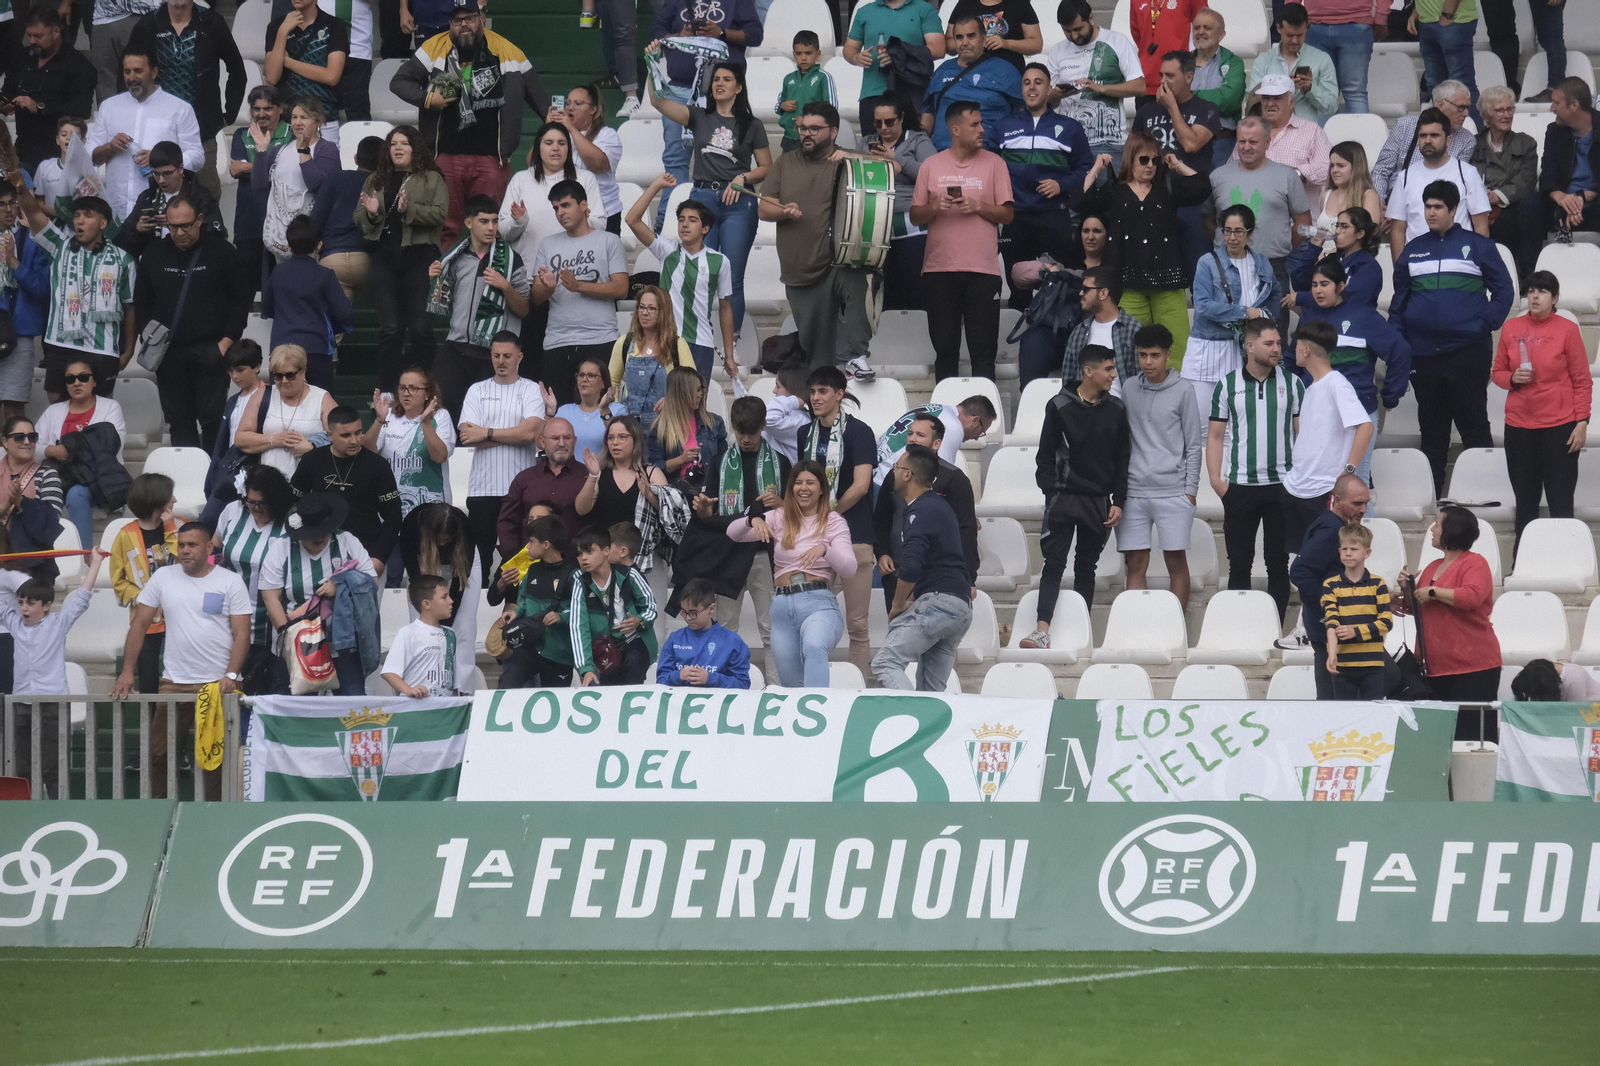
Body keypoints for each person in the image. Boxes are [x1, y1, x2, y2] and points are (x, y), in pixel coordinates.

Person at [389, 0, 548, 247]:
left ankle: (487, 281)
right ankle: (440, 282)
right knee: (443, 227)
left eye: (470, 18)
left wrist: (554, 124)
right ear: (450, 24)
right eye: (457, 20)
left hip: (490, 159)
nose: (464, 25)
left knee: (488, 227)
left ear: (481, 19)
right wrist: (429, 98)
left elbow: (541, 100)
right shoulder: (434, 47)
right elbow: (399, 81)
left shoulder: (507, 51)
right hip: (445, 158)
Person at [1390, 179, 1514, 495]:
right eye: (1427, 206)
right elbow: (1398, 303)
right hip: (1423, 353)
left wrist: (1483, 323)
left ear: (1454, 210)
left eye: (1437, 207)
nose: (1430, 213)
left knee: (1473, 424)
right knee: (1432, 428)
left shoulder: (1480, 246)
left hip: (1468, 350)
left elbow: (1504, 290)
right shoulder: (1412, 251)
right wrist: (1400, 342)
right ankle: (1432, 496)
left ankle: (1486, 495)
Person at [110, 521, 248, 797]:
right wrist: (127, 671)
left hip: (217, 685)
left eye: (192, 545)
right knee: (158, 755)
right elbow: (139, 626)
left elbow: (242, 633)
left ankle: (214, 816)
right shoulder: (163, 577)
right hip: (174, 681)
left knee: (215, 759)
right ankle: (162, 814)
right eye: (181, 545)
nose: (185, 550)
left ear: (209, 547)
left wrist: (231, 675)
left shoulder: (230, 580)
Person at [1020, 346, 1128, 648]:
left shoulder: (1117, 409)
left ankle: (1081, 631)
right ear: (1088, 371)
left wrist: (1118, 500)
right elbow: (1045, 455)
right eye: (1108, 369)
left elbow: (1123, 457)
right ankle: (1041, 631)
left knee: (1086, 567)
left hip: (1099, 501)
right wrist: (1051, 491)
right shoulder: (1058, 405)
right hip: (1063, 499)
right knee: (1053, 564)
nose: (1114, 374)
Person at [759, 102, 874, 379]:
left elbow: (890, 166)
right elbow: (764, 208)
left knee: (856, 282)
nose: (806, 134)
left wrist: (851, 158)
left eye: (814, 128)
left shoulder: (849, 160)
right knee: (818, 357)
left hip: (838, 260)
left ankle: (858, 355)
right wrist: (783, 211)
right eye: (802, 128)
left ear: (833, 132)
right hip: (799, 268)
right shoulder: (785, 162)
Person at [1077, 133, 1208, 363]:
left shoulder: (1166, 187)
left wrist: (1176, 164)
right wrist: (1097, 167)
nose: (1150, 166)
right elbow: (1080, 200)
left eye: (1155, 161)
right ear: (1130, 158)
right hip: (1129, 284)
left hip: (1168, 281)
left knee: (1176, 349)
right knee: (1129, 349)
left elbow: (1202, 186)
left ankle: (1175, 395)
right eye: (1144, 160)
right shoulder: (1114, 191)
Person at [1207, 318, 1304, 621]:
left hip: (1282, 487)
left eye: (1278, 343)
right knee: (1239, 562)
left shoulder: (1293, 383)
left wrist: (1298, 481)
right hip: (1239, 487)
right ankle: (1241, 626)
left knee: (1277, 562)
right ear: (1249, 346)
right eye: (1269, 343)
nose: (1277, 349)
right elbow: (1215, 436)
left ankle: (1273, 626)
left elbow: (1304, 435)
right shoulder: (1227, 384)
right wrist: (1216, 481)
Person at [911, 100, 1015, 381]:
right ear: (955, 129)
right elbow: (915, 215)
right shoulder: (931, 165)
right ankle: (942, 421)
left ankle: (986, 419)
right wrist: (935, 207)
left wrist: (977, 206)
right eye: (975, 124)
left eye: (981, 123)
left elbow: (1007, 215)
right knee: (945, 352)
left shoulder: (996, 164)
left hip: (983, 271)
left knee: (983, 353)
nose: (983, 129)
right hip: (938, 270)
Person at [726, 459, 855, 687]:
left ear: (822, 489)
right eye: (798, 483)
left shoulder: (833, 521)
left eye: (810, 483)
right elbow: (733, 534)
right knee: (791, 684)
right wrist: (751, 519)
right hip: (782, 606)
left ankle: (819, 708)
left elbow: (849, 567)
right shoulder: (779, 517)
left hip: (818, 603)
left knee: (815, 644)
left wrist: (825, 549)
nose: (803, 488)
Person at [675, 395, 788, 655]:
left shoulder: (781, 463)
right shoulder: (719, 462)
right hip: (728, 552)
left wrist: (781, 502)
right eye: (740, 432)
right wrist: (704, 509)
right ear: (733, 428)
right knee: (725, 626)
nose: (745, 439)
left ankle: (777, 690)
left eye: (751, 432)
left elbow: (795, 512)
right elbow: (710, 515)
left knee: (772, 629)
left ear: (763, 427)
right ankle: (724, 684)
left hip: (765, 553)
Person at [134, 194, 249, 449]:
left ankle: (212, 478)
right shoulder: (154, 252)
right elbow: (141, 300)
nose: (180, 232)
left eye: (186, 225)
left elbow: (241, 299)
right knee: (179, 420)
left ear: (199, 220)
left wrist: (227, 342)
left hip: (212, 348)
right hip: (168, 351)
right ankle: (185, 477)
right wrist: (147, 334)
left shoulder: (221, 251)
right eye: (173, 226)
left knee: (212, 420)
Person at [1288, 257, 1411, 487]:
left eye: (1324, 284)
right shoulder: (1308, 317)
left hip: (1357, 413)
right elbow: (1290, 361)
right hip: (1317, 414)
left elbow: (1400, 350)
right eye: (1314, 285)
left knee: (1354, 483)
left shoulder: (1364, 316)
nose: (1318, 291)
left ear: (1341, 286)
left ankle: (1362, 524)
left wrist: (1391, 395)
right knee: (1320, 481)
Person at [1491, 269, 1590, 551]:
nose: (1535, 296)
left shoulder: (1567, 329)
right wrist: (1511, 378)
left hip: (1559, 425)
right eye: (1531, 290)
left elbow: (1582, 380)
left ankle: (1566, 559)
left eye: (1543, 291)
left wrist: (1582, 421)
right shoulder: (1511, 328)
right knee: (1525, 501)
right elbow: (1497, 372)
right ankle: (1523, 561)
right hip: (1520, 426)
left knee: (1560, 500)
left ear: (1555, 298)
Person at [12, 181, 136, 402]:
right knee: (58, 410)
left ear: (103, 223)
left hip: (103, 349)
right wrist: (21, 188)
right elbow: (32, 212)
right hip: (60, 345)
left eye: (87, 215)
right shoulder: (58, 246)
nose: (79, 220)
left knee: (99, 416)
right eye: (77, 215)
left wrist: (128, 351)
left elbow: (129, 307)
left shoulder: (124, 260)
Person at [500, 122, 604, 372]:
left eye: (561, 143)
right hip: (529, 280)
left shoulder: (584, 178)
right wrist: (520, 221)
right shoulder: (521, 180)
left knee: (572, 358)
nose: (555, 149)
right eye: (548, 143)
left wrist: (579, 218)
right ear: (537, 147)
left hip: (574, 280)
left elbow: (599, 223)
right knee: (531, 355)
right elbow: (504, 230)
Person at [869, 445, 974, 690]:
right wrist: (913, 597)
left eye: (896, 467)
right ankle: (929, 725)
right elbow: (939, 565)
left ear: (907, 475)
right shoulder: (939, 507)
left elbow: (911, 565)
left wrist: (898, 604)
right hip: (960, 605)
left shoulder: (920, 510)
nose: (892, 472)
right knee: (931, 690)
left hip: (939, 604)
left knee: (885, 662)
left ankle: (910, 714)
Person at [1395, 505, 1502, 737]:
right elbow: (1420, 609)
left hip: (1473, 667)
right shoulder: (1432, 566)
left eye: (1437, 523)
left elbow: (1471, 597)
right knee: (1439, 736)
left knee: (1473, 735)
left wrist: (1433, 591)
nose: (1432, 529)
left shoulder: (1475, 563)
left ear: (1452, 529)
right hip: (1434, 666)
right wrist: (1407, 589)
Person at [1, 551, 101, 798]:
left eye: (31, 603)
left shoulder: (58, 623)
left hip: (53, 704)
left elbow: (82, 597)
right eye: (21, 602)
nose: (24, 608)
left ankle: (57, 813)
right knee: (22, 767)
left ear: (46, 606)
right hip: (22, 703)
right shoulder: (13, 622)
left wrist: (96, 563)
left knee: (53, 767)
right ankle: (25, 815)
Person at [797, 366, 877, 676]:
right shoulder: (805, 432)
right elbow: (803, 484)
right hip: (813, 539)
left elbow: (861, 486)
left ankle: (859, 688)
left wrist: (827, 516)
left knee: (857, 622)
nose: (815, 398)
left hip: (853, 535)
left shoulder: (858, 431)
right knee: (810, 617)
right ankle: (814, 683)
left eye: (822, 392)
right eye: (812, 392)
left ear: (839, 394)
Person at [259, 491, 379, 696]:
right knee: (297, 709)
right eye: (312, 533)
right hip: (296, 641)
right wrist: (287, 637)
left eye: (324, 531)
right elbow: (270, 597)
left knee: (352, 702)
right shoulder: (281, 548)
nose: (319, 537)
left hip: (342, 641)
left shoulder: (347, 541)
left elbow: (371, 583)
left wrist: (341, 584)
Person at [356, 123, 446, 392]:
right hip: (384, 258)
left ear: (415, 148)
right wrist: (371, 213)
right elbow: (358, 217)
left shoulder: (432, 178)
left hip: (420, 257)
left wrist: (410, 210)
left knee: (420, 328)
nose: (397, 148)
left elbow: (440, 213)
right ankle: (387, 392)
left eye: (404, 143)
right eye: (393, 143)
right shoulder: (376, 179)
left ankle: (427, 389)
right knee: (391, 329)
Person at [428, 194, 532, 420]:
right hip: (456, 346)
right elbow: (444, 300)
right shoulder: (454, 258)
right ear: (468, 223)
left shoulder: (511, 259)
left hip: (492, 353)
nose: (491, 228)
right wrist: (435, 279)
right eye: (484, 221)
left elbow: (524, 309)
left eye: (495, 221)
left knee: (489, 416)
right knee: (443, 410)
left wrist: (505, 286)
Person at [127, 0, 244, 197]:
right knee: (156, 196)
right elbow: (129, 69)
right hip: (158, 128)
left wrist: (229, 114)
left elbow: (237, 69)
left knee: (205, 196)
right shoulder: (149, 23)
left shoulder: (211, 23)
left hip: (201, 130)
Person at [1209, 116, 1312, 338]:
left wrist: (1283, 244)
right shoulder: (1217, 176)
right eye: (1242, 141)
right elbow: (1208, 220)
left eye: (1253, 142)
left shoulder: (1286, 176)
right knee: (1229, 334)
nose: (1246, 147)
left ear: (1267, 142)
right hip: (1228, 268)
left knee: (1273, 335)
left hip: (1272, 267)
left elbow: (1303, 220)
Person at [625, 176, 736, 381]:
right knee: (664, 404)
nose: (684, 225)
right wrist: (656, 186)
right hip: (667, 340)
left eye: (692, 220)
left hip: (701, 342)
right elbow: (631, 219)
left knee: (694, 406)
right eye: (681, 220)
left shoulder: (720, 261)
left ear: (705, 229)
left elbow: (726, 307)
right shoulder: (667, 251)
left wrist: (729, 355)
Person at [998, 64, 1092, 307]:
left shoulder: (1070, 127)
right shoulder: (1004, 127)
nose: (1032, 87)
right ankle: (1019, 341)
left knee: (1056, 284)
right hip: (1014, 216)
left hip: (1052, 215)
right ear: (1021, 89)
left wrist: (1061, 185)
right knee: (1017, 285)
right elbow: (989, 165)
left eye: (1038, 82)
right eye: (1027, 82)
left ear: (1049, 89)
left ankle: (1049, 340)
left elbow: (1085, 168)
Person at [1122, 324, 1201, 610]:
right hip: (1134, 491)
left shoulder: (1184, 390)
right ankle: (1137, 625)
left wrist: (1190, 490)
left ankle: (1175, 627)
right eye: (1142, 355)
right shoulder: (1129, 387)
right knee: (1136, 562)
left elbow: (1193, 444)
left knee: (1175, 561)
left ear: (1168, 355)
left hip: (1174, 491)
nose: (1148, 362)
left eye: (1155, 355)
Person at [531, 180, 628, 407]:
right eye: (556, 208)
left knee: (602, 410)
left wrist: (579, 286)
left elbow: (621, 288)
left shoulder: (609, 241)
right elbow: (536, 297)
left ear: (584, 205)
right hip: (558, 341)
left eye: (566, 205)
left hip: (600, 339)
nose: (560, 213)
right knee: (559, 412)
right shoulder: (548, 244)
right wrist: (548, 287)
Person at [458, 332, 545, 580]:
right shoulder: (477, 390)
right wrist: (513, 434)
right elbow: (467, 436)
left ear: (520, 356)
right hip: (482, 488)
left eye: (507, 356)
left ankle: (516, 603)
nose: (501, 361)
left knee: (521, 554)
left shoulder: (530, 389)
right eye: (496, 355)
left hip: (520, 488)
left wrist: (486, 433)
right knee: (479, 557)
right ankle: (480, 605)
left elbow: (530, 433)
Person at [1281, 320, 1375, 549]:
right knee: (1304, 560)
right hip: (1298, 487)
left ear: (1305, 348)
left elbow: (1366, 425)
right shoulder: (1312, 387)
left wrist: (1349, 470)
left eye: (1296, 346)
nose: (1294, 351)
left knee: (1328, 562)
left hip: (1322, 489)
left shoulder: (1337, 384)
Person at [873, 412, 979, 612]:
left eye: (920, 435)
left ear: (937, 444)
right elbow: (882, 518)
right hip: (898, 575)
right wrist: (882, 552)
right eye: (910, 433)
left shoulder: (954, 479)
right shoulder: (895, 474)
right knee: (899, 635)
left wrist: (970, 577)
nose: (913, 439)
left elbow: (966, 529)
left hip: (938, 581)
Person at [1135, 49, 1222, 278]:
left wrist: (1172, 107)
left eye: (1170, 76)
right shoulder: (1147, 111)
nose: (1163, 81)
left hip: (1192, 202)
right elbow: (1133, 153)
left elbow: (1191, 144)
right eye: (1161, 75)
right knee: (1154, 270)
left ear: (1189, 77)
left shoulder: (1207, 109)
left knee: (1198, 271)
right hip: (1154, 200)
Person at [1189, 204, 1282, 415]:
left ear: (1249, 233)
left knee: (1238, 422)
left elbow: (1276, 292)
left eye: (1238, 231)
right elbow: (1202, 305)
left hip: (1245, 350)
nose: (1232, 237)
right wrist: (1244, 313)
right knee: (1205, 422)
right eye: (1227, 231)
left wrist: (1266, 320)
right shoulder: (1207, 263)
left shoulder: (1261, 262)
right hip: (1210, 347)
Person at [89, 48, 202, 223]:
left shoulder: (179, 108)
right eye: (127, 71)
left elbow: (197, 156)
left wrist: (161, 159)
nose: (131, 77)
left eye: (138, 71)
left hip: (161, 210)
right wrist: (110, 147)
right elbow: (91, 157)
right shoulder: (109, 107)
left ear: (154, 72)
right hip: (116, 208)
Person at [291, 404, 403, 574]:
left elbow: (393, 515)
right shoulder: (312, 460)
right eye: (345, 435)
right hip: (321, 554)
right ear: (330, 435)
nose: (354, 440)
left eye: (358, 432)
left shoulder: (377, 465)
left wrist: (380, 557)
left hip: (367, 555)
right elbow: (294, 504)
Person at [1287, 471, 1371, 693]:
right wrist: (1327, 606)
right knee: (1337, 695)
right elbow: (1300, 571)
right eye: (1357, 503)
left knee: (1334, 695)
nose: (1363, 510)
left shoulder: (1332, 525)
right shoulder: (1331, 530)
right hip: (1330, 630)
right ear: (1338, 501)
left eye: (1366, 503)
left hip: (1328, 628)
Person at [211, 464, 293, 692]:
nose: (255, 508)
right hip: (230, 617)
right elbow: (214, 554)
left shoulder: (291, 522)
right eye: (250, 501)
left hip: (273, 622)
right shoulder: (233, 511)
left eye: (261, 503)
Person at [35, 359, 126, 549]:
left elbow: (112, 445)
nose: (77, 383)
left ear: (94, 382)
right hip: (61, 476)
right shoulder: (54, 411)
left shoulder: (110, 407)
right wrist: (52, 450)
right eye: (70, 379)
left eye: (83, 377)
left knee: (76, 495)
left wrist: (71, 451)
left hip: (97, 477)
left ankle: (83, 559)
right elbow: (32, 446)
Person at [260, 214, 352, 391]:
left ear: (288, 245)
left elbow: (267, 308)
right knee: (319, 410)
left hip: (282, 352)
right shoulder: (325, 275)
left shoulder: (278, 272)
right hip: (316, 349)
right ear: (319, 245)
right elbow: (344, 312)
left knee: (282, 409)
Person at [1047, 0, 1146, 164]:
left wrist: (1100, 88)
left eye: (1079, 29)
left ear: (1091, 18)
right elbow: (1049, 101)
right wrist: (1057, 95)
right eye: (1067, 31)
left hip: (1109, 141)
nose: (1074, 36)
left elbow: (1140, 86)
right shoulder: (1058, 51)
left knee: (1109, 188)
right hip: (1069, 141)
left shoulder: (1116, 41)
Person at [1013, 211, 1105, 388]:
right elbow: (1017, 274)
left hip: (1090, 333)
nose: (1091, 237)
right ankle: (1031, 405)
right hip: (1051, 328)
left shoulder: (1112, 265)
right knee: (1033, 342)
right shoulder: (1062, 256)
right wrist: (1047, 269)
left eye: (1097, 231)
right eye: (1086, 231)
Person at [864, 95, 938, 311]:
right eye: (878, 123)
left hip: (911, 226)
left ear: (902, 118)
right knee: (884, 294)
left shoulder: (918, 140)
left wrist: (898, 160)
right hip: (877, 225)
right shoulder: (867, 142)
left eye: (889, 122)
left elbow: (933, 175)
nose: (883, 128)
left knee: (915, 290)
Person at [0, 8, 95, 174]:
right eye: (29, 35)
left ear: (56, 31)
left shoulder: (78, 65)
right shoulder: (21, 58)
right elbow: (7, 90)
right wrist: (5, 103)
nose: (32, 40)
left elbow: (83, 109)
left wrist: (40, 107)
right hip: (23, 149)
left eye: (38, 36)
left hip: (58, 152)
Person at [110, 471, 178, 694]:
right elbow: (118, 579)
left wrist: (170, 529)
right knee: (148, 681)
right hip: (145, 619)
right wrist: (140, 597)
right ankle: (152, 726)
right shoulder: (125, 535)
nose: (175, 500)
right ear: (156, 500)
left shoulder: (180, 527)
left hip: (179, 615)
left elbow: (187, 561)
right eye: (170, 496)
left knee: (179, 678)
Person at [1386, 107, 1490, 249]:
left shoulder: (1468, 173)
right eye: (1423, 136)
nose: (1427, 140)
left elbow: (1481, 226)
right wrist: (1400, 269)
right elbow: (1398, 230)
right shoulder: (1404, 177)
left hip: (1459, 260)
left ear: (1448, 140)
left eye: (1434, 135)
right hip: (1418, 263)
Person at [253, 97, 339, 266]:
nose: (298, 122)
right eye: (294, 117)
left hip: (314, 239)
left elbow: (320, 187)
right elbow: (259, 186)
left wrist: (304, 152)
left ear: (318, 121)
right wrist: (262, 151)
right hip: (281, 237)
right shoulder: (279, 150)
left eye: (304, 117)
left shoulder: (327, 149)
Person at [568, 524, 658, 686]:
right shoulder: (580, 583)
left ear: (606, 551)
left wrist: (640, 620)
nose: (583, 558)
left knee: (634, 663)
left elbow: (651, 607)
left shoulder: (630, 575)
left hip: (634, 641)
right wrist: (586, 668)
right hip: (606, 650)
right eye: (579, 554)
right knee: (610, 691)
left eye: (589, 551)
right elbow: (578, 627)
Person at [607, 284, 697, 438]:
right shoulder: (624, 343)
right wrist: (617, 414)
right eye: (641, 307)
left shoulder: (676, 344)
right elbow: (611, 382)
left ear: (664, 312)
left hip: (667, 428)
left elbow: (693, 384)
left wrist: (672, 400)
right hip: (630, 431)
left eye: (651, 308)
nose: (644, 312)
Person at [495, 513, 574, 688]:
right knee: (507, 686)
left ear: (546, 545)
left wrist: (562, 617)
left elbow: (580, 612)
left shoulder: (573, 574)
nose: (527, 546)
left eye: (531, 541)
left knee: (555, 703)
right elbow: (523, 601)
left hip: (559, 652)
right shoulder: (531, 569)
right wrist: (514, 613)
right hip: (528, 646)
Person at [366, 367, 455, 521]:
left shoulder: (440, 416)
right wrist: (378, 421)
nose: (406, 393)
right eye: (402, 388)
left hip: (431, 506)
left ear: (427, 393)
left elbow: (440, 456)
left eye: (413, 388)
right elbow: (365, 453)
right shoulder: (389, 416)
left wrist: (426, 423)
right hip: (391, 506)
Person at [235, 344, 335, 480]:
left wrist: (313, 448)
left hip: (309, 484)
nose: (283, 381)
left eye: (290, 375)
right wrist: (274, 440)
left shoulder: (321, 398)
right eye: (277, 376)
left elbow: (340, 437)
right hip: (268, 483)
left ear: (303, 371)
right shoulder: (263, 395)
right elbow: (241, 438)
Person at [1472, 84, 1542, 280]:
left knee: (1524, 210)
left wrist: (1496, 196)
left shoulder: (1526, 143)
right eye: (1500, 110)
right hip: (1481, 208)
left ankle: (1525, 278)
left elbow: (1526, 181)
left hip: (1513, 207)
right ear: (1486, 116)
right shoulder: (1473, 145)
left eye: (1510, 109)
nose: (1507, 114)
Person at [923, 15, 1023, 151]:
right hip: (942, 157)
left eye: (971, 36)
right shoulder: (942, 70)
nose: (964, 42)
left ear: (984, 39)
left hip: (989, 156)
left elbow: (1025, 113)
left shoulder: (1005, 70)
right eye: (959, 37)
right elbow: (928, 114)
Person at [399, 501, 480, 667]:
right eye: (439, 539)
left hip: (458, 565)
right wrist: (433, 623)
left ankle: (461, 687)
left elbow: (459, 587)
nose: (442, 543)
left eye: (447, 539)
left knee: (463, 626)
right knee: (421, 622)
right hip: (423, 561)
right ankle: (422, 673)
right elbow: (416, 581)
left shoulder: (466, 530)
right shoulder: (411, 527)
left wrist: (445, 622)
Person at [113, 140, 225, 260]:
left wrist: (176, 225)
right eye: (155, 173)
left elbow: (218, 236)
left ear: (181, 168)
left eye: (167, 173)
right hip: (157, 265)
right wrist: (138, 229)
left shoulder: (200, 196)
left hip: (193, 264)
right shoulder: (147, 198)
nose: (161, 180)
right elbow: (121, 245)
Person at [1318, 521, 1393, 699]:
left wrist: (1355, 632)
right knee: (1344, 712)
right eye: (1344, 549)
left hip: (1372, 664)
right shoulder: (1331, 585)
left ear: (1367, 553)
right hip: (1343, 664)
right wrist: (1332, 653)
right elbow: (1331, 621)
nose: (1348, 553)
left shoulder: (1378, 583)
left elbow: (1386, 622)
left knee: (1371, 713)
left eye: (1354, 549)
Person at [1371, 80, 1475, 202]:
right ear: (1441, 105)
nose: (1466, 114)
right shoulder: (1405, 126)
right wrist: (1379, 204)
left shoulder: (1467, 140)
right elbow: (1381, 171)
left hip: (1436, 203)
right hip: (1396, 198)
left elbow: (1455, 183)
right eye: (1461, 107)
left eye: (1468, 107)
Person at [230, 87, 290, 295]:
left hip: (284, 224)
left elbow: (289, 172)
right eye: (256, 108)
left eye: (268, 108)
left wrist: (253, 167)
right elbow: (236, 169)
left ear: (280, 109)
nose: (261, 114)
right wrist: (274, 166)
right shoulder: (241, 134)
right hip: (249, 223)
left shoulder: (292, 134)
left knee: (282, 286)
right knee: (247, 286)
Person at [0, 183, 50, 424]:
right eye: (2, 204)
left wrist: (13, 261)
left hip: (19, 332)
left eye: (12, 202)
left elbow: (42, 289)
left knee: (14, 409)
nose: (9, 209)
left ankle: (12, 462)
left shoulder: (32, 241)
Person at [264, 0, 348, 143]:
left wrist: (288, 62)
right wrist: (283, 32)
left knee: (324, 165)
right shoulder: (277, 27)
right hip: (287, 122)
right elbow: (272, 77)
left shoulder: (335, 25)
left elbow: (332, 76)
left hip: (324, 119)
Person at [498, 416, 585, 552]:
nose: (562, 443)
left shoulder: (586, 477)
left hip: (574, 563)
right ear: (543, 442)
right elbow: (507, 523)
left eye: (567, 438)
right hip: (528, 563)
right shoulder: (524, 478)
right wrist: (512, 558)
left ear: (575, 441)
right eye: (555, 438)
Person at [311, 134, 379, 302]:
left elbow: (316, 219)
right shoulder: (382, 185)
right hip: (367, 261)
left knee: (336, 323)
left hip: (332, 258)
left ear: (356, 158)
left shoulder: (336, 178)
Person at [575, 415, 668, 534]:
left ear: (636, 440)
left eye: (622, 437)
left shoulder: (652, 473)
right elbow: (581, 510)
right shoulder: (600, 473)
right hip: (606, 548)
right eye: (610, 438)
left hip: (641, 547)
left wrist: (649, 494)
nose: (615, 442)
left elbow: (668, 514)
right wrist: (592, 476)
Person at [845, 0, 946, 107]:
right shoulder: (864, 11)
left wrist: (898, 54)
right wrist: (856, 57)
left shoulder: (924, 9)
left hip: (913, 92)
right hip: (873, 93)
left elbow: (938, 48)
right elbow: (850, 47)